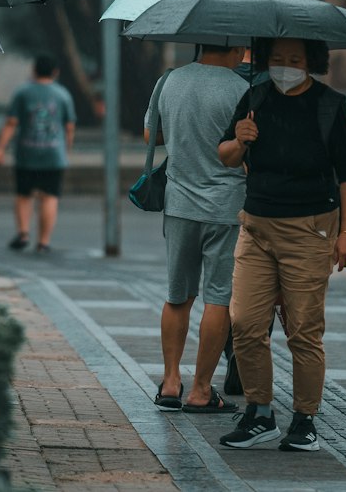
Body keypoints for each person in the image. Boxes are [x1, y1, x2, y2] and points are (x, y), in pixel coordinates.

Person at [216, 37, 346, 454]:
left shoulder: (330, 106)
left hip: (310, 231)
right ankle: (259, 413)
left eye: (294, 59)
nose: (284, 66)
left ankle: (304, 419)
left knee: (302, 330)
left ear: (311, 62)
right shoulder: (255, 96)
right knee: (244, 323)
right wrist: (240, 139)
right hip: (255, 228)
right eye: (277, 59)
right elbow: (224, 155)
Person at [147, 45, 248, 415]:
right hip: (226, 207)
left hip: (179, 204)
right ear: (234, 46)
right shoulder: (241, 89)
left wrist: (183, 131)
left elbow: (150, 137)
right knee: (218, 298)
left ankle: (171, 383)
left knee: (178, 295)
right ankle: (202, 390)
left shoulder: (169, 81)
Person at [0, 55, 76, 253]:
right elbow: (69, 127)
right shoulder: (63, 94)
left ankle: (23, 233)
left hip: (27, 154)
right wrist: (66, 150)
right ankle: (43, 242)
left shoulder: (22, 92)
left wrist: (0, 149)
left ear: (34, 70)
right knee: (50, 197)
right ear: (55, 72)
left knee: (23, 195)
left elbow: (11, 123)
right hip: (54, 155)